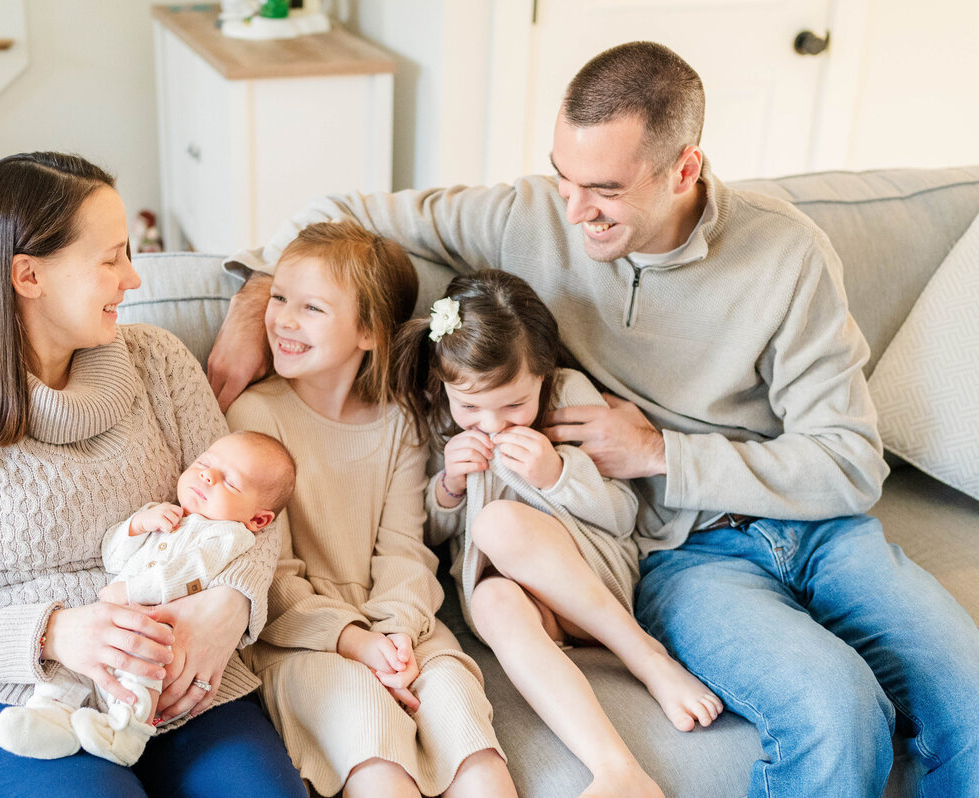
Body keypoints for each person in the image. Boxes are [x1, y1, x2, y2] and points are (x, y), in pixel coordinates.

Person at [207, 42, 979, 798]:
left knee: (969, 697)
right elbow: (335, 214)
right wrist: (254, 304)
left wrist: (661, 452)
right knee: (837, 712)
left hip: (822, 528)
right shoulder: (530, 217)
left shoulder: (787, 254)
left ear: (685, 169)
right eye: (563, 177)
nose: (573, 212)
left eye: (603, 189)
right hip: (686, 553)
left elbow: (849, 461)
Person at [0, 152, 307, 798]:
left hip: (168, 671)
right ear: (29, 275)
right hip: (0, 691)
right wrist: (54, 632)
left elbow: (253, 509)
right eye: (111, 258)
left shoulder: (159, 364)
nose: (133, 278)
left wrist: (225, 609)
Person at [390, 269, 722, 797]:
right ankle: (617, 770)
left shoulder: (569, 396)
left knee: (498, 523)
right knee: (491, 598)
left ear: (543, 376)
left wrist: (558, 476)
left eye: (513, 405)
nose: (492, 424)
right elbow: (424, 533)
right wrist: (449, 486)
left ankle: (647, 658)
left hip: (594, 580)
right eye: (470, 406)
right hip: (534, 613)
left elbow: (624, 514)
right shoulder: (438, 422)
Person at [226, 220, 516, 798]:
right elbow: (268, 577)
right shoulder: (255, 417)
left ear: (368, 332)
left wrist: (397, 636)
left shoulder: (399, 423)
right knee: (374, 742)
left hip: (399, 622)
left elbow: (406, 550)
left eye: (311, 307)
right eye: (279, 297)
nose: (283, 320)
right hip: (303, 638)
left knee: (465, 728)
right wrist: (357, 642)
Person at [0, 430, 296, 768]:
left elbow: (192, 574)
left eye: (231, 482)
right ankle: (50, 716)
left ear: (258, 520)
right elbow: (113, 557)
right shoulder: (164, 515)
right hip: (106, 625)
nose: (208, 476)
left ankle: (124, 734)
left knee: (141, 676)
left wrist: (132, 591)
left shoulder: (228, 536)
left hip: (158, 631)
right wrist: (136, 526)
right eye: (204, 463)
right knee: (71, 670)